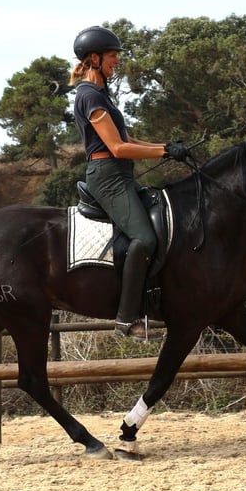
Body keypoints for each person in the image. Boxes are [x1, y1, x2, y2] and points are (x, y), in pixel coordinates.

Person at [68, 26, 190, 341]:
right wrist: (164, 151)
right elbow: (118, 148)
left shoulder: (100, 95)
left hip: (120, 175)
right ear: (94, 58)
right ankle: (126, 320)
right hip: (107, 177)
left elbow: (128, 139)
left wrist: (169, 147)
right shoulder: (89, 95)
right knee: (145, 238)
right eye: (112, 56)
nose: (117, 62)